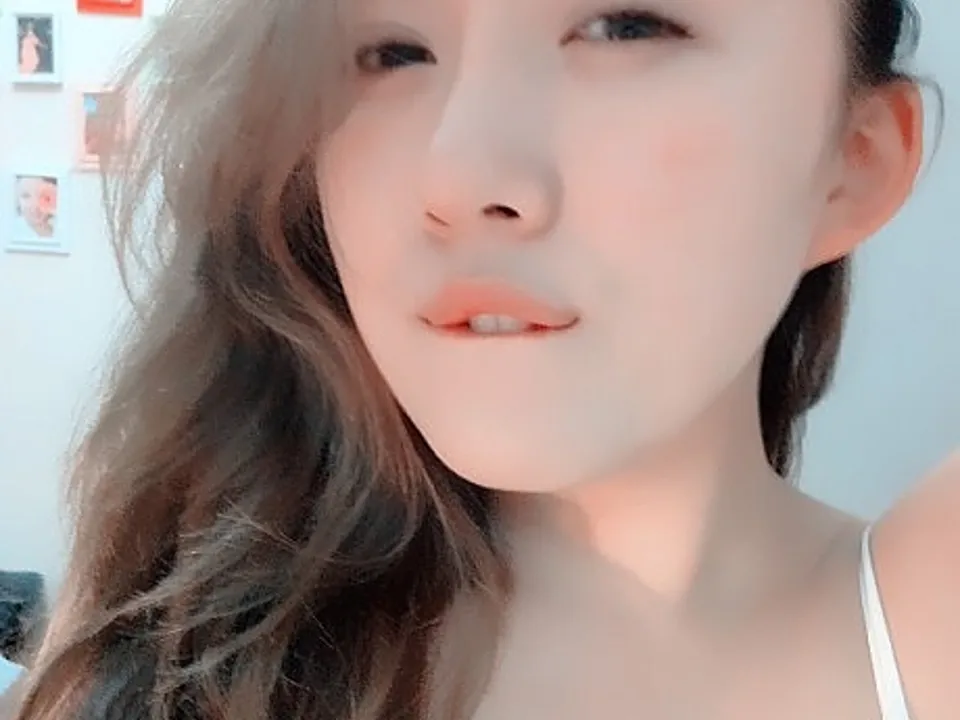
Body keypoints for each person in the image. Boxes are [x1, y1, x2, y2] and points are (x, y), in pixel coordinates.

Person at [12, 0, 958, 718]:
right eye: (391, 51)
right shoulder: (166, 666)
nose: (458, 175)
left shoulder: (928, 622)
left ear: (856, 161)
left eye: (624, 28)